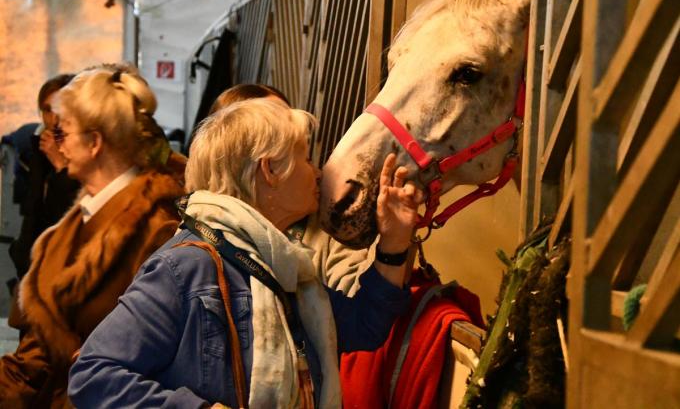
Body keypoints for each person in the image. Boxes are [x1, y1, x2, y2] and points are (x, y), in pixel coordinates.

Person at [68, 97, 422, 408]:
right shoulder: (185, 266)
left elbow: (364, 328)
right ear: (269, 170)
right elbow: (93, 374)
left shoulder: (281, 265)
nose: (316, 173)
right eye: (306, 159)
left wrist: (394, 241)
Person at [0, 68, 185, 408]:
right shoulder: (78, 223)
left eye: (63, 132)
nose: (58, 144)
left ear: (94, 142)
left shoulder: (157, 231)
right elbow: (34, 360)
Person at [207, 84, 374, 295]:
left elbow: (357, 312)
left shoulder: (325, 219)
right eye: (270, 121)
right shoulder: (205, 247)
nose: (290, 128)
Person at [8, 74, 80, 281]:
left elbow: (73, 216)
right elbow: (33, 212)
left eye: (61, 110)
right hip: (35, 263)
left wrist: (61, 166)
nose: (54, 119)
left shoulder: (89, 154)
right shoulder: (38, 150)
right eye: (48, 110)